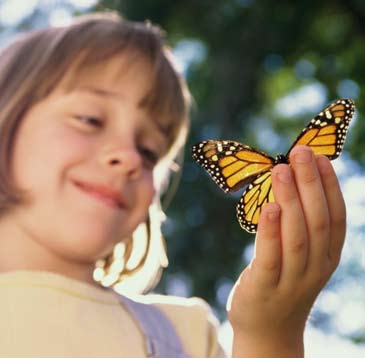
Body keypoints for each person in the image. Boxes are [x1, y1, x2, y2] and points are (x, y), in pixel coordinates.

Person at [0, 11, 346, 358]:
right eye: (90, 119)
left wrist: (271, 335)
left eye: (149, 151)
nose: (131, 157)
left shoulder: (186, 334)